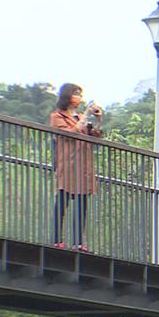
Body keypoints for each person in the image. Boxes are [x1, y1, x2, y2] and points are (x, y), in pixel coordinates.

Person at [49, 83, 103, 251]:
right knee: (62, 201)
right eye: (76, 94)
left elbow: (94, 135)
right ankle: (57, 239)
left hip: (83, 165)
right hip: (68, 164)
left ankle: (78, 242)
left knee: (81, 204)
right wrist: (86, 115)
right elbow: (70, 133)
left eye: (80, 94)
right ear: (67, 96)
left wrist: (98, 121)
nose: (79, 97)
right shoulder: (57, 116)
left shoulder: (80, 117)